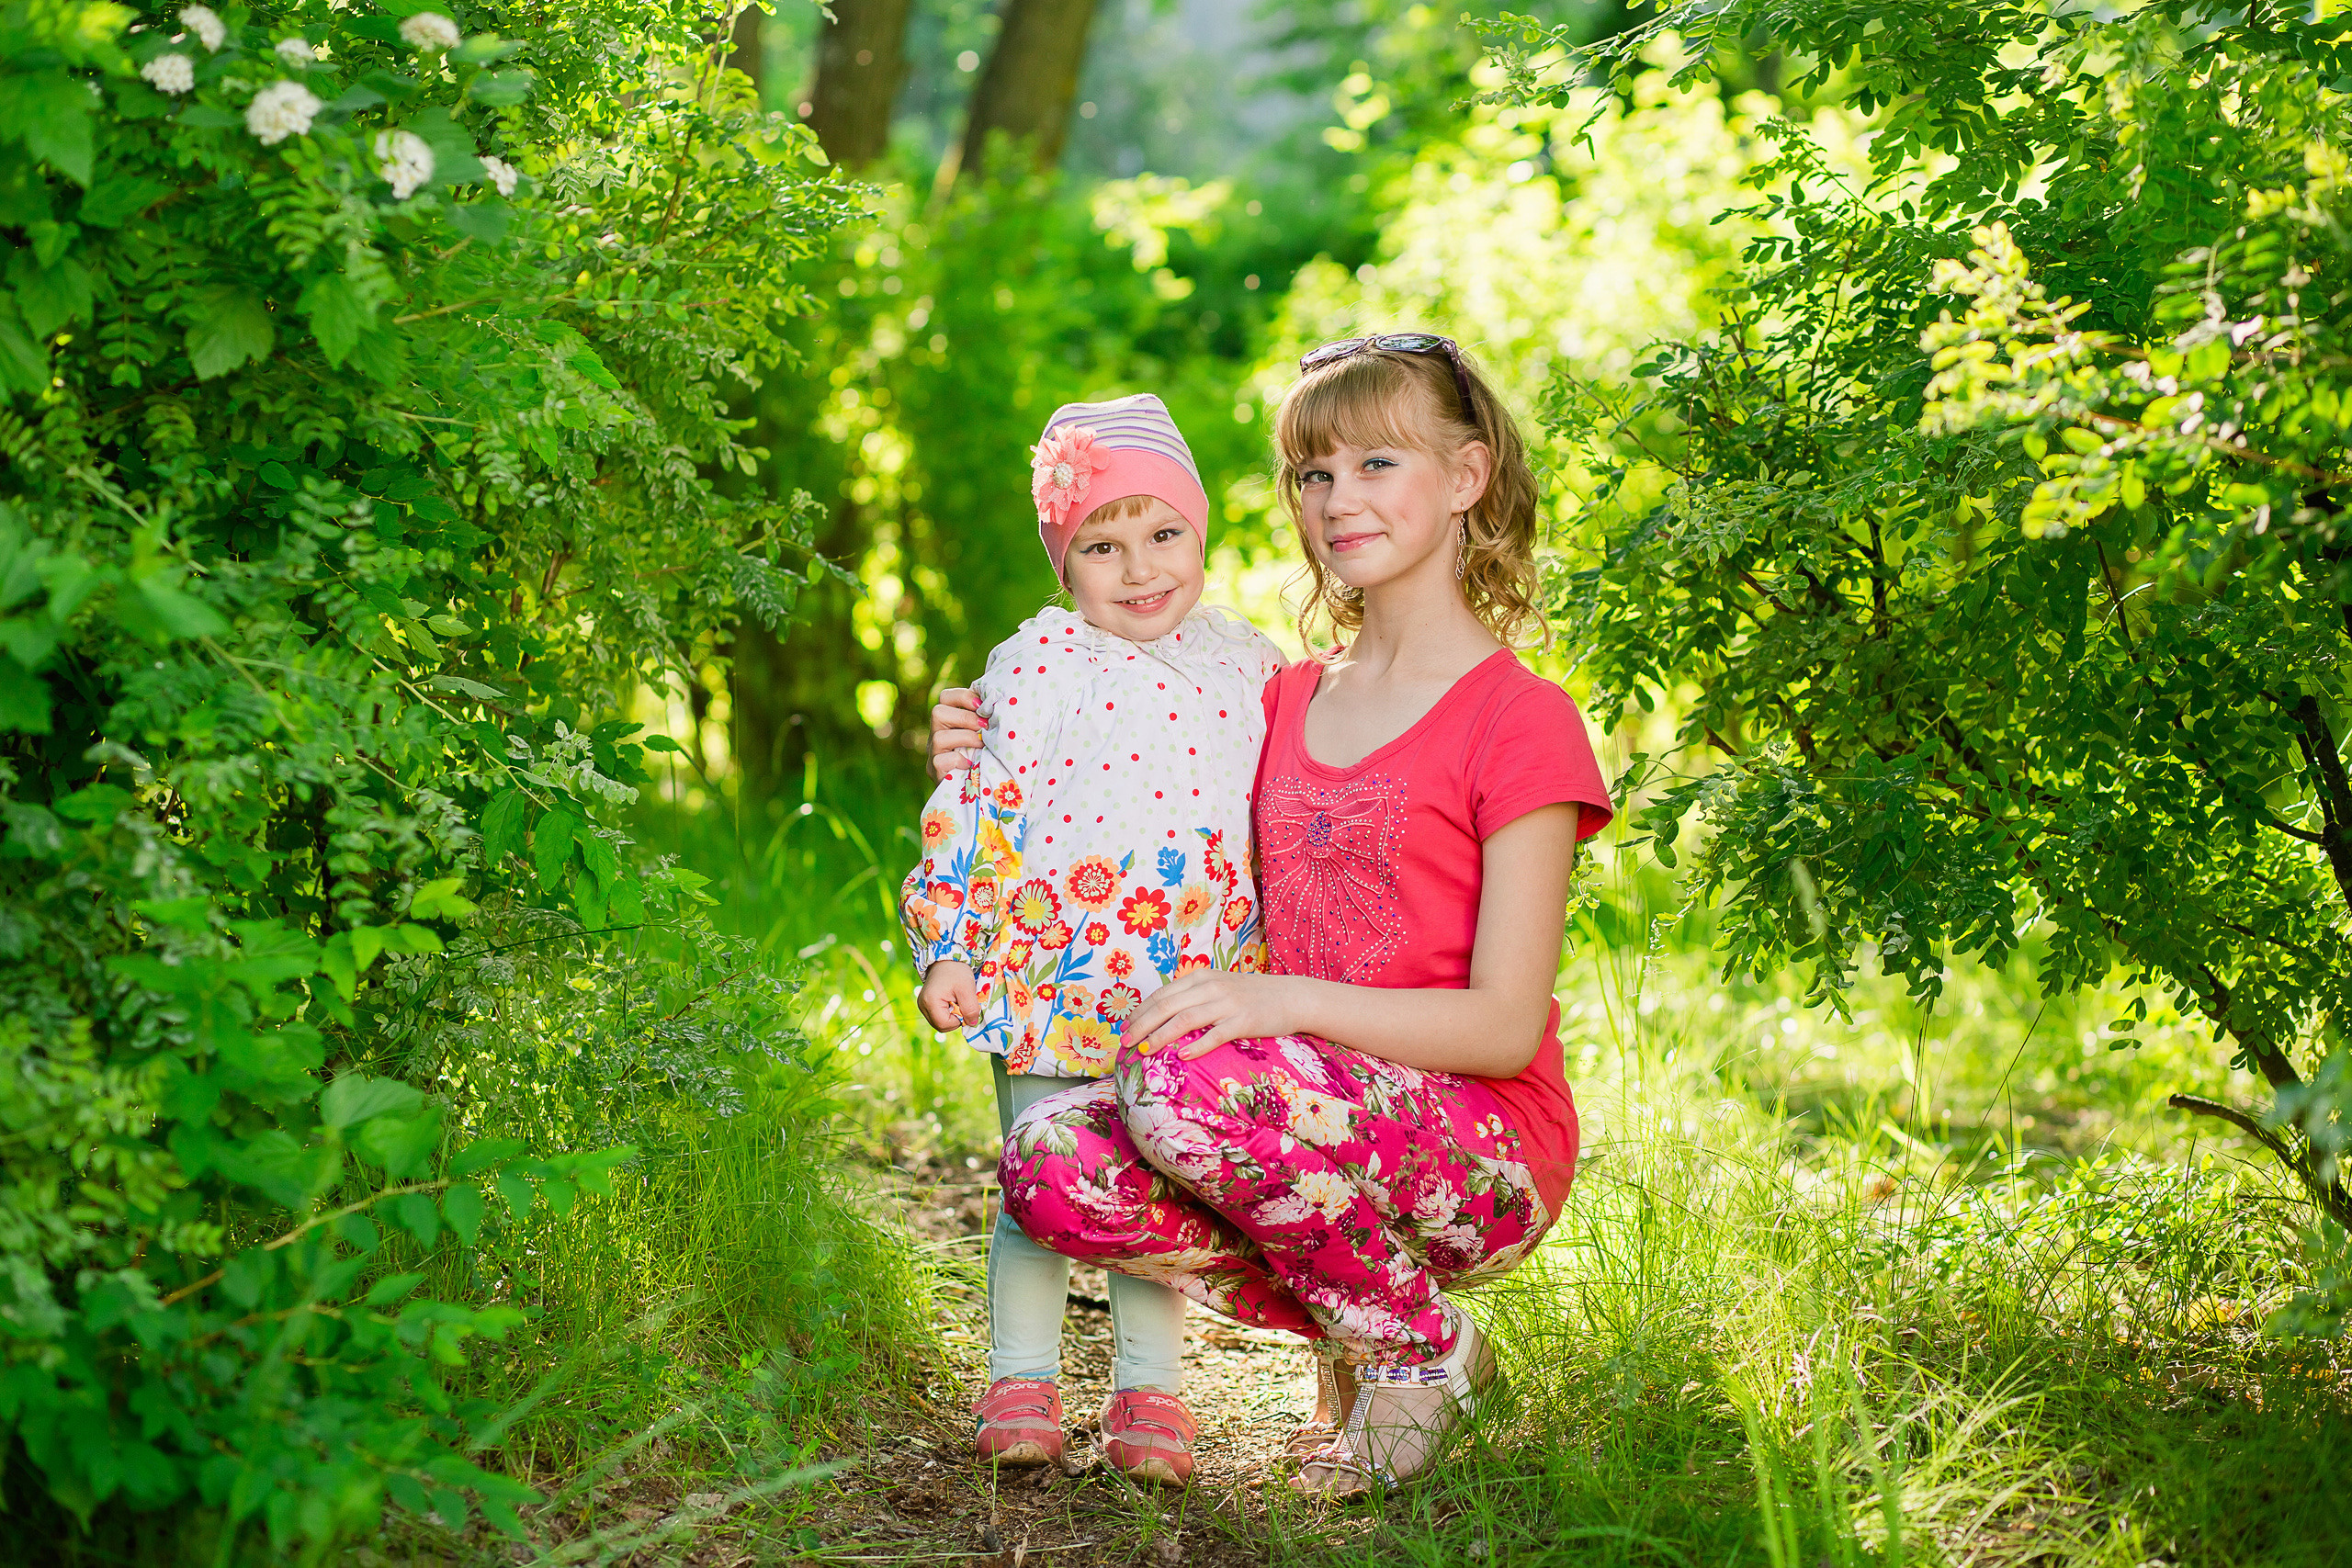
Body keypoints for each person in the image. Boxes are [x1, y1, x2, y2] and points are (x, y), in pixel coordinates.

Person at [929, 334, 1613, 1497]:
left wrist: (1272, 1002)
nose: (1338, 498)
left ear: (1466, 476)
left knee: (1184, 1072)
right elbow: (1119, 787)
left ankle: (1416, 1354)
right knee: (1045, 1166)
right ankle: (1374, 1338)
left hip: (1480, 1148)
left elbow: (1504, 1026)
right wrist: (977, 749)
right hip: (1276, 1108)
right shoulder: (1269, 693)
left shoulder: (1522, 719)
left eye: (1376, 463)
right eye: (1311, 472)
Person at [898, 392, 1287, 1485]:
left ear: (1201, 535)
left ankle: (1149, 1393)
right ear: (1064, 563)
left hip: (1191, 981)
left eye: (1165, 534)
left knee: (1158, 1188)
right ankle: (1019, 1379)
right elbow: (978, 807)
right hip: (1053, 969)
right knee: (1041, 1180)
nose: (1139, 567)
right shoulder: (1036, 662)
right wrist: (949, 944)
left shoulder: (1246, 664)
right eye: (1101, 546)